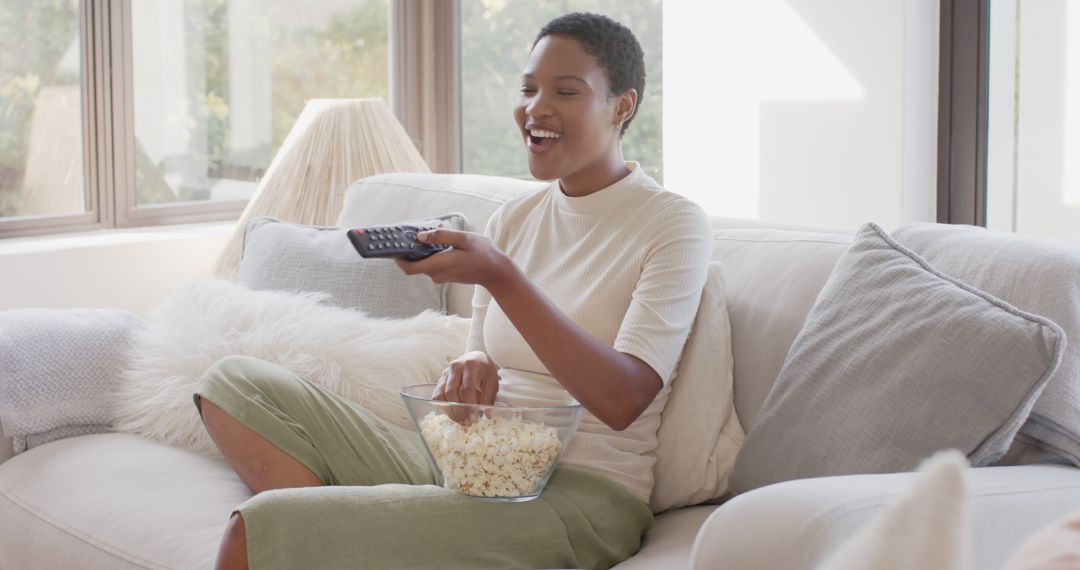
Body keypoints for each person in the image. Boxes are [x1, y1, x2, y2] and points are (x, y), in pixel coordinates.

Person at [193, 12, 711, 570]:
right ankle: (357, 536)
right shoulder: (518, 217)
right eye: (528, 88)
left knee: (259, 529)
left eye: (566, 91)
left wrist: (502, 277)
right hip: (470, 462)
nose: (536, 108)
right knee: (231, 383)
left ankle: (339, 536)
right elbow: (482, 351)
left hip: (575, 498)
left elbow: (623, 399)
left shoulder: (671, 223)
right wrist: (469, 364)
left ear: (623, 107)